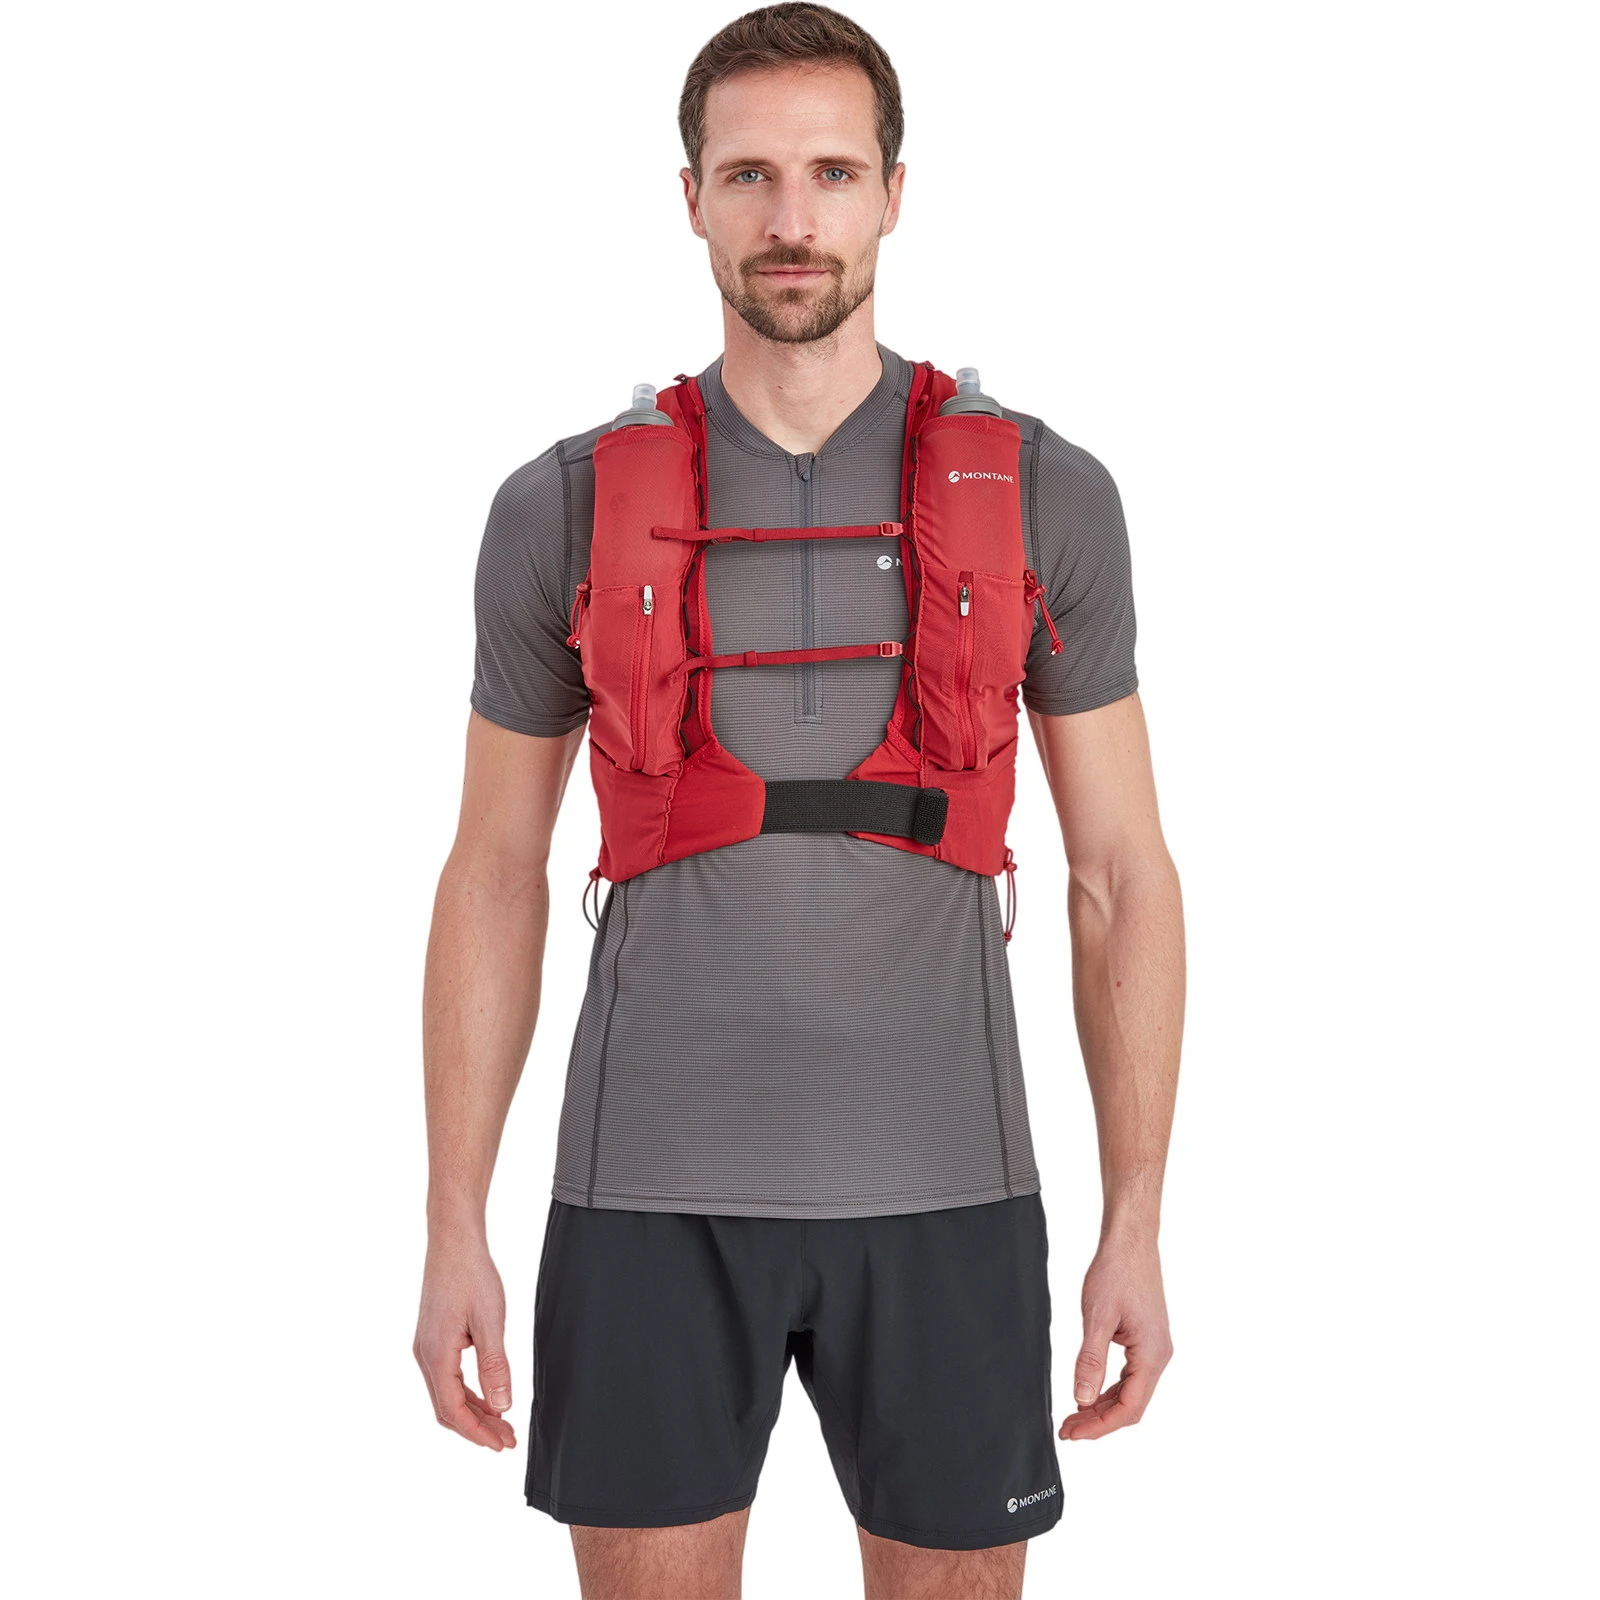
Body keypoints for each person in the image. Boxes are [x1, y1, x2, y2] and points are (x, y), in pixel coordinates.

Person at [413, 6, 1184, 1597]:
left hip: (953, 1187)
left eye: (832, 173)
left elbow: (1119, 872)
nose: (790, 217)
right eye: (748, 174)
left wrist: (1136, 1219)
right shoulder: (559, 506)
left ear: (894, 192)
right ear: (689, 198)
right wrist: (452, 1223)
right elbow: (492, 869)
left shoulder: (1049, 492)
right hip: (644, 1194)